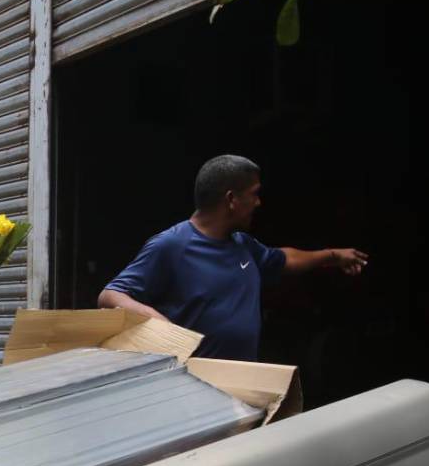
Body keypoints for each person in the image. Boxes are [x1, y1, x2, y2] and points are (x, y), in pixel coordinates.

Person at [98, 154, 368, 361]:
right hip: (190, 389)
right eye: (254, 194)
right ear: (231, 199)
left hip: (239, 384)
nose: (259, 203)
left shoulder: (243, 245)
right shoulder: (172, 245)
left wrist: (332, 255)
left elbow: (285, 259)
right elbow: (111, 296)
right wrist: (158, 323)